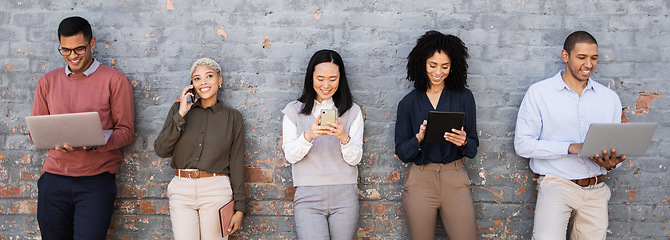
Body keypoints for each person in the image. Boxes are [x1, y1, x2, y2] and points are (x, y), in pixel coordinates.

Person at [31, 16, 135, 239]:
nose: (72, 56)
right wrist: (54, 140)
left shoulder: (115, 80)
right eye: (65, 50)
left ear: (92, 43)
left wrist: (96, 143)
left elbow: (125, 132)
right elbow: (35, 133)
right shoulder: (47, 82)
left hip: (95, 182)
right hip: (54, 179)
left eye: (79, 49)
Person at [514, 31, 625, 240]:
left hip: (596, 187)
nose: (588, 64)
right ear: (565, 56)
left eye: (594, 58)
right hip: (557, 185)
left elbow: (614, 146)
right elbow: (523, 144)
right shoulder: (540, 93)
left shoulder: (609, 98)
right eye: (581, 57)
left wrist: (612, 163)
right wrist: (570, 147)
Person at [394, 30, 478, 240]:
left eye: (445, 66)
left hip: (455, 177)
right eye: (432, 65)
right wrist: (418, 139)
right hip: (421, 179)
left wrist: (464, 141)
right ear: (422, 64)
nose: (438, 71)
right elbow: (402, 152)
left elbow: (473, 148)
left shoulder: (464, 97)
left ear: (453, 66)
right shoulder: (409, 103)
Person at [154, 58, 246, 239]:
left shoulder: (233, 118)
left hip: (216, 190)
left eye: (209, 76)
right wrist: (181, 114)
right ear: (191, 84)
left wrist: (240, 208)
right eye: (197, 78)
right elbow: (161, 150)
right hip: (181, 190)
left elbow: (236, 162)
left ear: (220, 81)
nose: (203, 82)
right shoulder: (178, 110)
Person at [281, 49, 364, 239]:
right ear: (311, 77)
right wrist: (308, 135)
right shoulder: (293, 111)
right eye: (320, 78)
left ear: (340, 79)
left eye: (333, 79)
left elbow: (355, 159)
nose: (326, 85)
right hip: (308, 196)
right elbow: (291, 156)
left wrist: (344, 138)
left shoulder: (352, 111)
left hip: (345, 195)